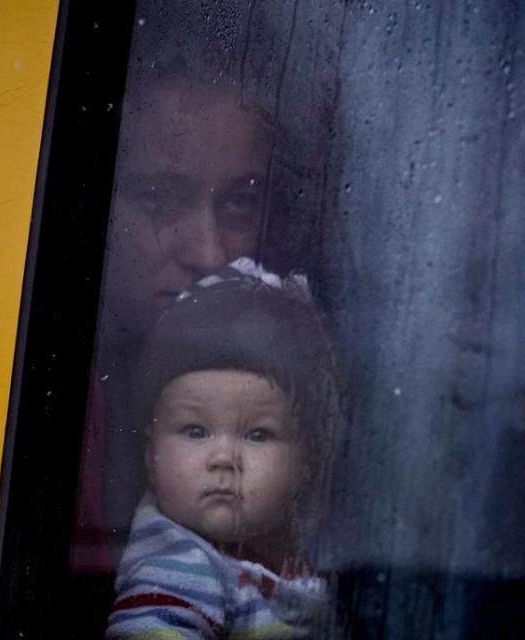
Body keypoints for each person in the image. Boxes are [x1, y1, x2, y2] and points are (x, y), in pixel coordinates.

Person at [71, 66, 279, 572]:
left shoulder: (295, 380)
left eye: (239, 202)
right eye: (159, 198)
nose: (209, 254)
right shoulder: (20, 389)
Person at [105, 259, 344, 638]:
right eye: (196, 431)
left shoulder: (284, 559)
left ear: (306, 463)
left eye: (257, 435)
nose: (224, 460)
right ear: (151, 457)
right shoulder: (177, 572)